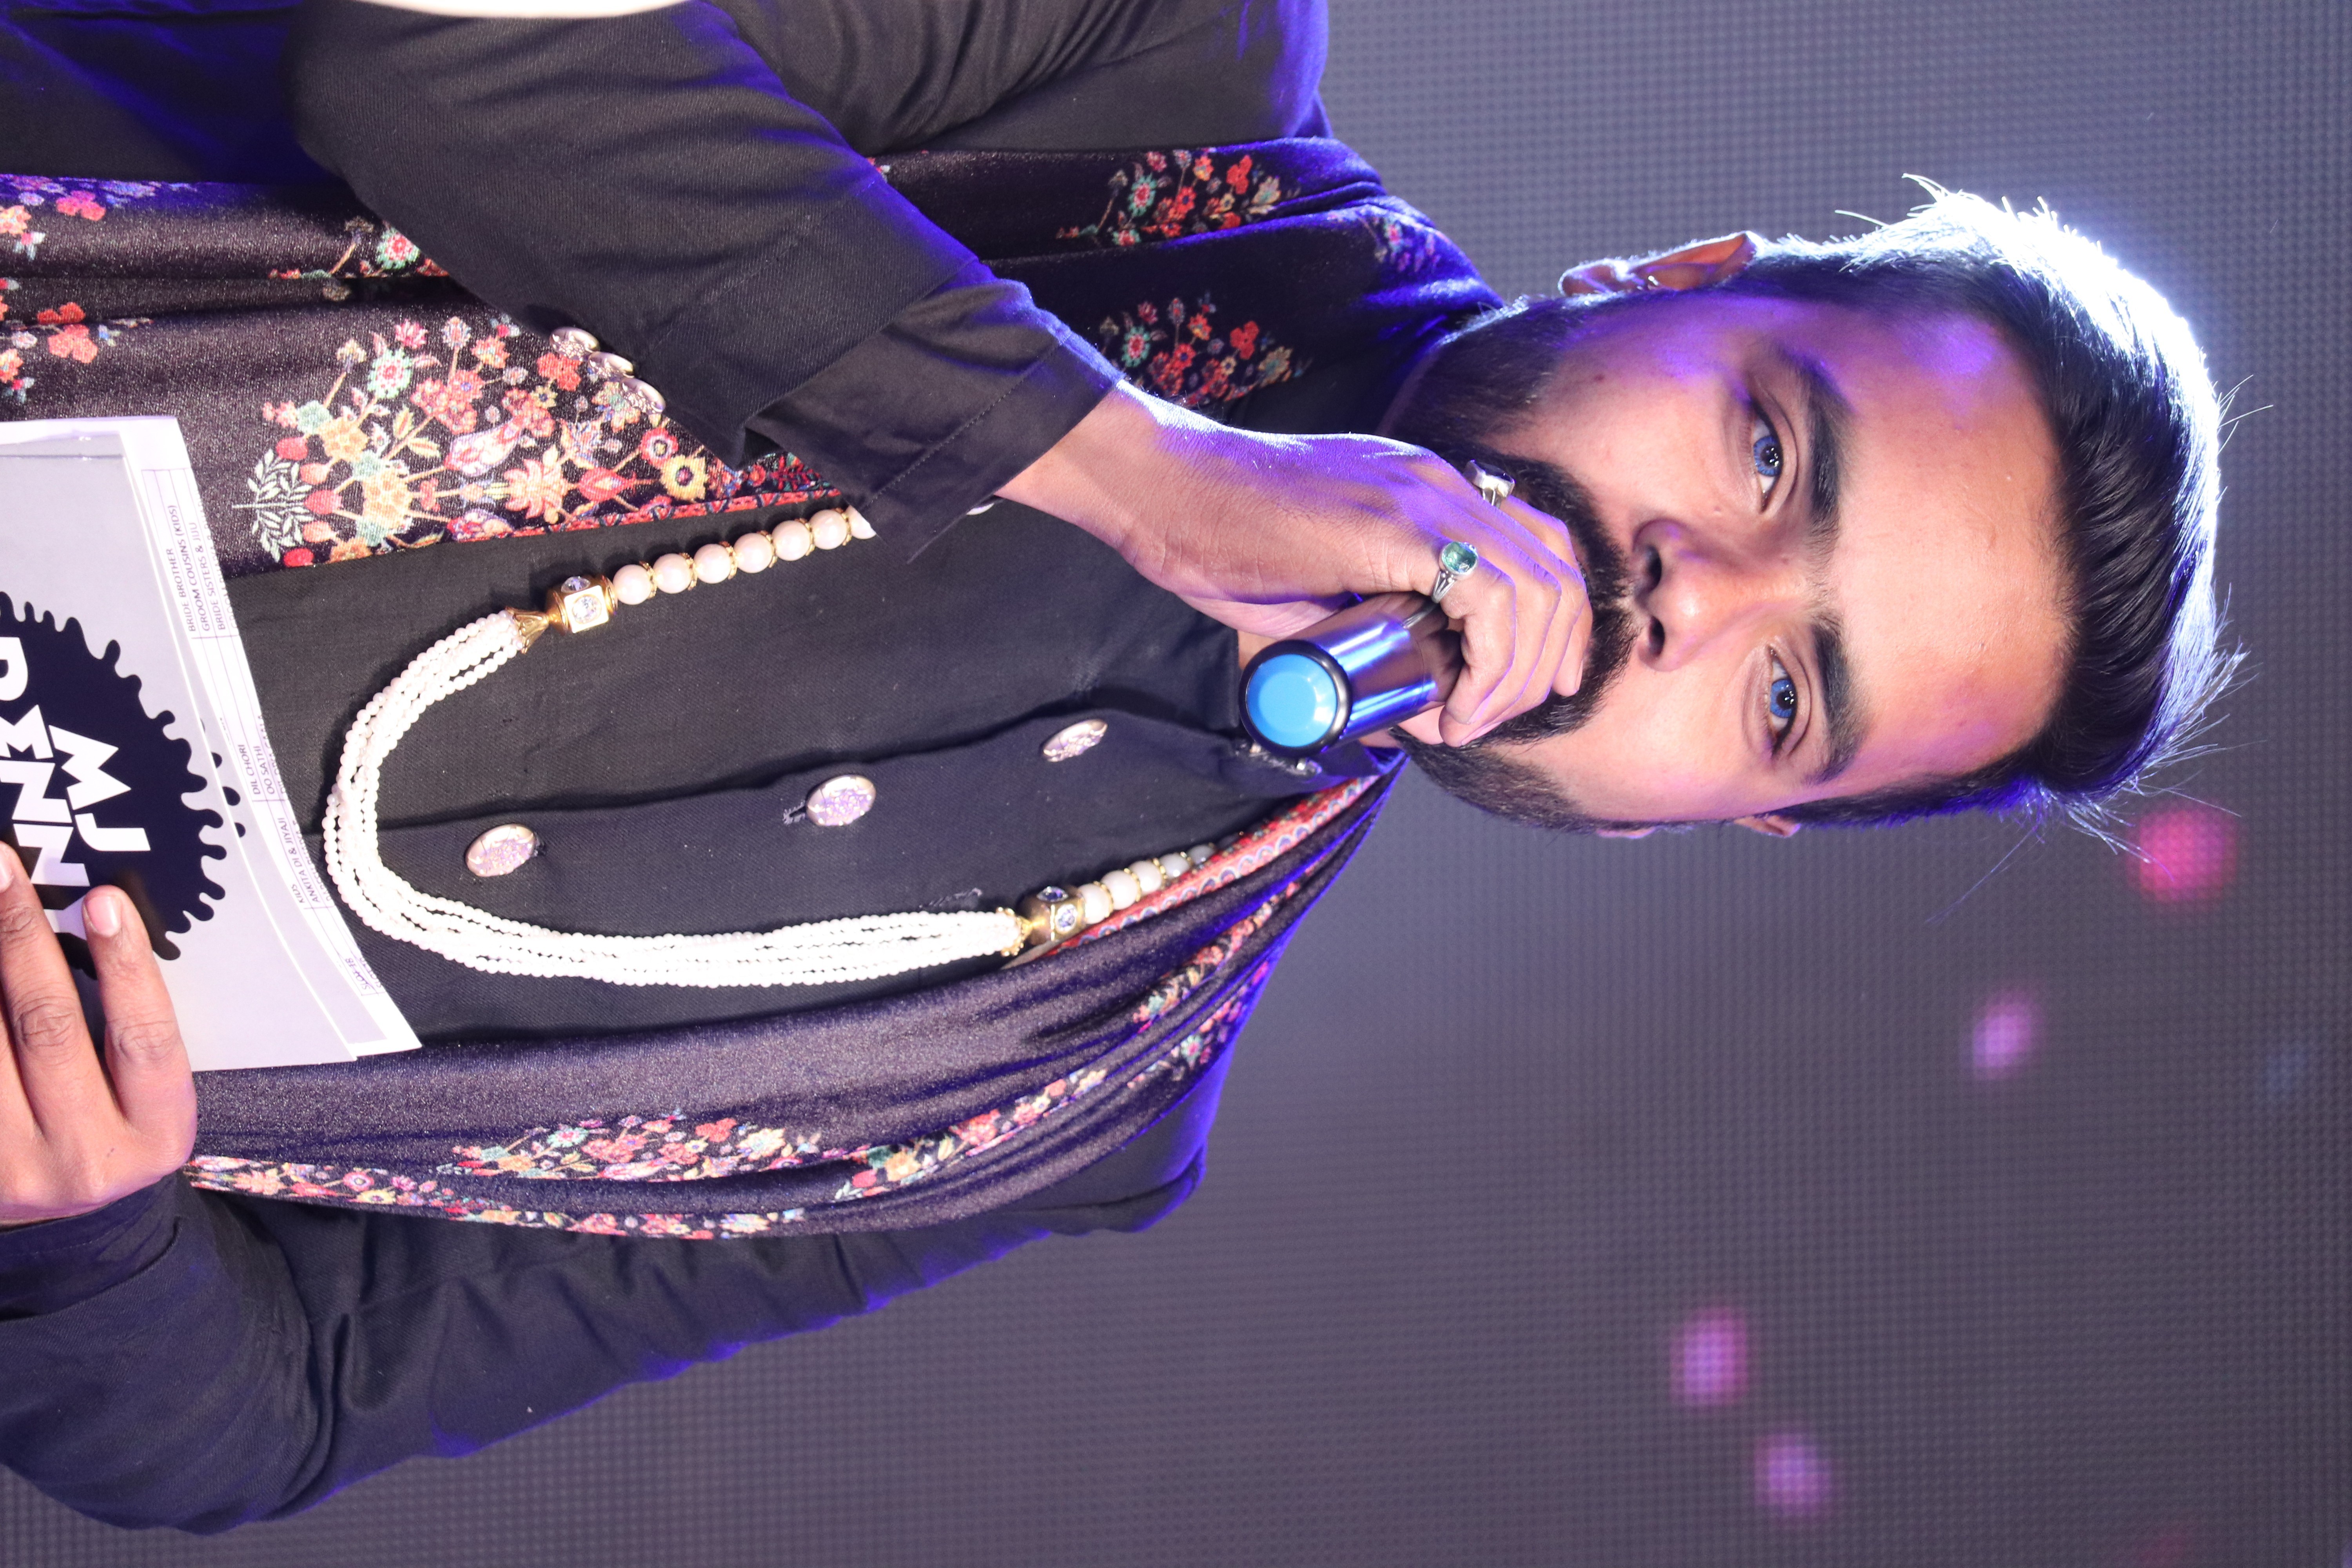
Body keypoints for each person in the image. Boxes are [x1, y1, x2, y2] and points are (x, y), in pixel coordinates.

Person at [0, 0, 2227, 1532]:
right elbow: (442, 47)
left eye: (1787, 698)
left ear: (1735, 823)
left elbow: (264, 1411)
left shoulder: (1068, 1101)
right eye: (1767, 453)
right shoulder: (1152, 60)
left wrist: (84, 1230)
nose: (1684, 595)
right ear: (1684, 273)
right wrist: (1135, 467)